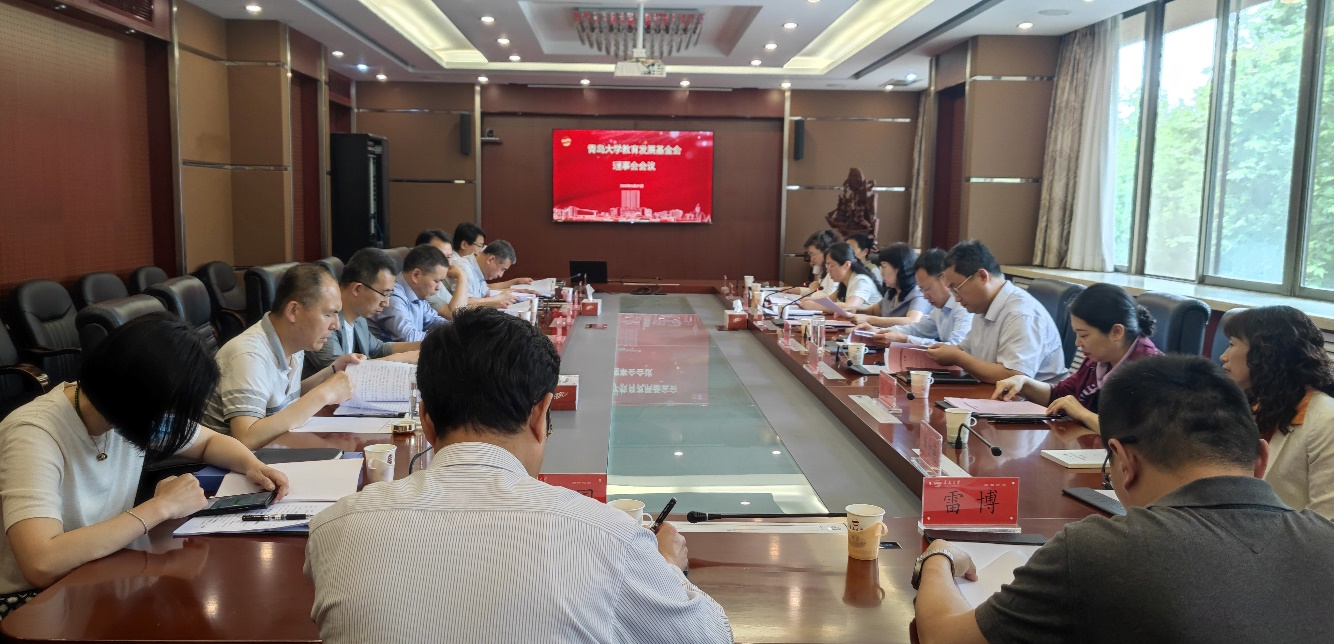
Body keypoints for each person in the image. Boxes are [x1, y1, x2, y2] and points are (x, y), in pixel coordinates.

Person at [304, 309, 733, 643]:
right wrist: (665, 570)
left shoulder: (334, 528)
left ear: (426, 420)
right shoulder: (610, 538)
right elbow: (712, 636)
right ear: (541, 414)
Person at [913, 355, 1334, 644]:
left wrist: (940, 556)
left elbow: (945, 637)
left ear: (1125, 462)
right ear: (1261, 459)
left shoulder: (1098, 549)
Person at [0, 314, 289, 615]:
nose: (169, 419)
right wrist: (161, 507)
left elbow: (209, 442)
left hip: (103, 572)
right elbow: (41, 564)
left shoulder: (121, 409)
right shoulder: (33, 433)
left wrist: (252, 465)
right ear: (139, 398)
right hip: (33, 602)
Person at [203, 264, 358, 449]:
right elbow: (247, 438)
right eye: (328, 314)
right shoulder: (248, 355)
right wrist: (325, 394)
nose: (336, 325)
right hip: (229, 463)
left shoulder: (293, 343)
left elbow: (282, 401)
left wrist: (332, 371)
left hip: (273, 450)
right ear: (293, 311)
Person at [991, 283, 1162, 432]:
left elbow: (1135, 435)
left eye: (1084, 335)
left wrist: (1082, 414)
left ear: (1116, 332)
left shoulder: (1150, 371)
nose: (1078, 343)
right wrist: (1024, 383)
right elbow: (1060, 395)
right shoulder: (1098, 359)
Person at [1220, 306, 1334, 518]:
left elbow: (1327, 520)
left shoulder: (1327, 420)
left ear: (1265, 352)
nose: (1223, 356)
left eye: (1232, 344)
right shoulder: (1253, 405)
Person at [925, 240, 1065, 384]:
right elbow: (965, 349)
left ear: (982, 276)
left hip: (1028, 398)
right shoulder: (982, 306)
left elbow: (1014, 377)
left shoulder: (1020, 314)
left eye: (957, 289)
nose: (956, 298)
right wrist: (944, 352)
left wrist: (958, 358)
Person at [304, 248, 422, 378]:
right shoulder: (326, 322)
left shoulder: (359, 318)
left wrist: (423, 346)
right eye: (384, 294)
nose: (386, 303)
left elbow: (379, 349)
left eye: (389, 295)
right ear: (357, 288)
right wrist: (403, 358)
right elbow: (340, 371)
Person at [867, 249, 972, 346]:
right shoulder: (939, 308)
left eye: (927, 289)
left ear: (943, 279)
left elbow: (956, 347)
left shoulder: (962, 306)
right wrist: (879, 332)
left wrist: (904, 339)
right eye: (922, 290)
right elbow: (918, 329)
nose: (925, 296)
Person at [367, 244, 455, 343]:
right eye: (436, 281)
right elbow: (409, 338)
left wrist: (455, 330)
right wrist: (446, 337)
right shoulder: (392, 295)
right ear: (416, 275)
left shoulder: (419, 295)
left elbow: (433, 321)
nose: (438, 287)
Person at [852, 242, 931, 327]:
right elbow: (874, 311)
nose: (881, 273)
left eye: (884, 267)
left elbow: (912, 321)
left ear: (899, 268)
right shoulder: (893, 291)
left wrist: (868, 319)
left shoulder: (918, 293)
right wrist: (852, 311)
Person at [800, 242, 881, 313]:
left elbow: (849, 308)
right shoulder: (845, 282)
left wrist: (816, 306)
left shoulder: (861, 280)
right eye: (827, 265)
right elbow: (829, 299)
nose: (828, 271)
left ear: (847, 265)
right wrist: (811, 300)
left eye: (831, 265)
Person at [414, 230, 472, 319]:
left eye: (449, 256)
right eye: (440, 256)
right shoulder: (422, 284)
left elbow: (463, 308)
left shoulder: (441, 279)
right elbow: (454, 315)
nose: (446, 263)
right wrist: (461, 276)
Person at [453, 240, 531, 303]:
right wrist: (498, 298)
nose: (501, 275)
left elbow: (485, 293)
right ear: (491, 259)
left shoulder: (478, 268)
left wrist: (514, 293)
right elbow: (464, 303)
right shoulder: (463, 268)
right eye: (502, 269)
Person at [801, 229, 841, 296]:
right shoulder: (824, 268)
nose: (812, 259)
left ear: (826, 251)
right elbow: (818, 290)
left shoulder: (834, 271)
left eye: (813, 254)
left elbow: (829, 299)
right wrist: (797, 290)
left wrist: (814, 290)